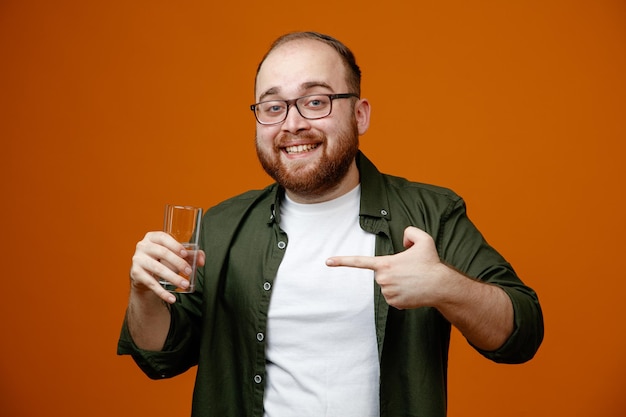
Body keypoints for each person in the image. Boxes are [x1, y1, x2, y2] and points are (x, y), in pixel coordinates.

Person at [118, 31, 544, 417]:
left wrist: (446, 287)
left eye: (315, 101)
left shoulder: (432, 212)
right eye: (273, 106)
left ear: (359, 115)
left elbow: (521, 333)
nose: (292, 123)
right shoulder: (221, 225)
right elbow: (160, 357)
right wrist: (144, 293)